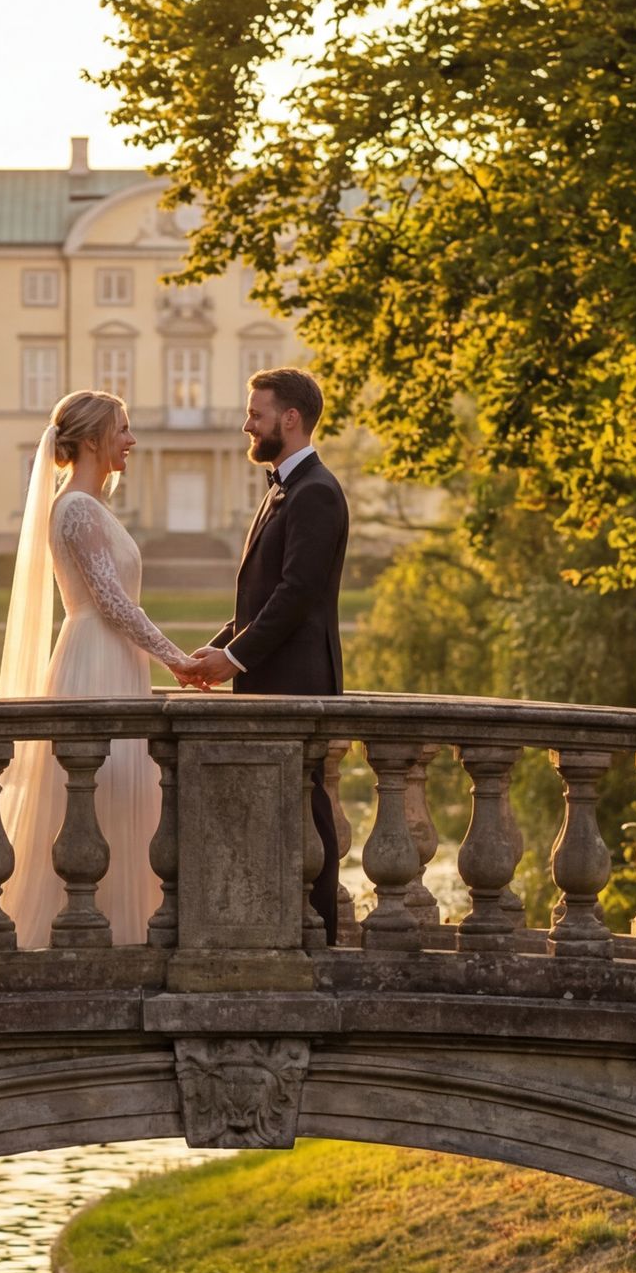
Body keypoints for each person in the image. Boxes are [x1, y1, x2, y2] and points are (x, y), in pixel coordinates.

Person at [0, 390, 205, 950]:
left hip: (116, 658)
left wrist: (165, 658)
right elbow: (112, 604)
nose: (132, 440)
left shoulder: (89, 507)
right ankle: (84, 928)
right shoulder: (74, 508)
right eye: (123, 429)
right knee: (102, 792)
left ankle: (121, 925)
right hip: (95, 658)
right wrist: (178, 659)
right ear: (95, 438)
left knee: (122, 794)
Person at [179, 366, 352, 942]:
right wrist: (222, 644)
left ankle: (320, 936)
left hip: (298, 680)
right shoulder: (285, 486)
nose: (246, 425)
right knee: (276, 809)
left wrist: (236, 659)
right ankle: (276, 927)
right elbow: (265, 594)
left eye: (256, 414)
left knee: (307, 813)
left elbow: (297, 594)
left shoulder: (317, 491)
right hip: (273, 673)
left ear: (290, 418)